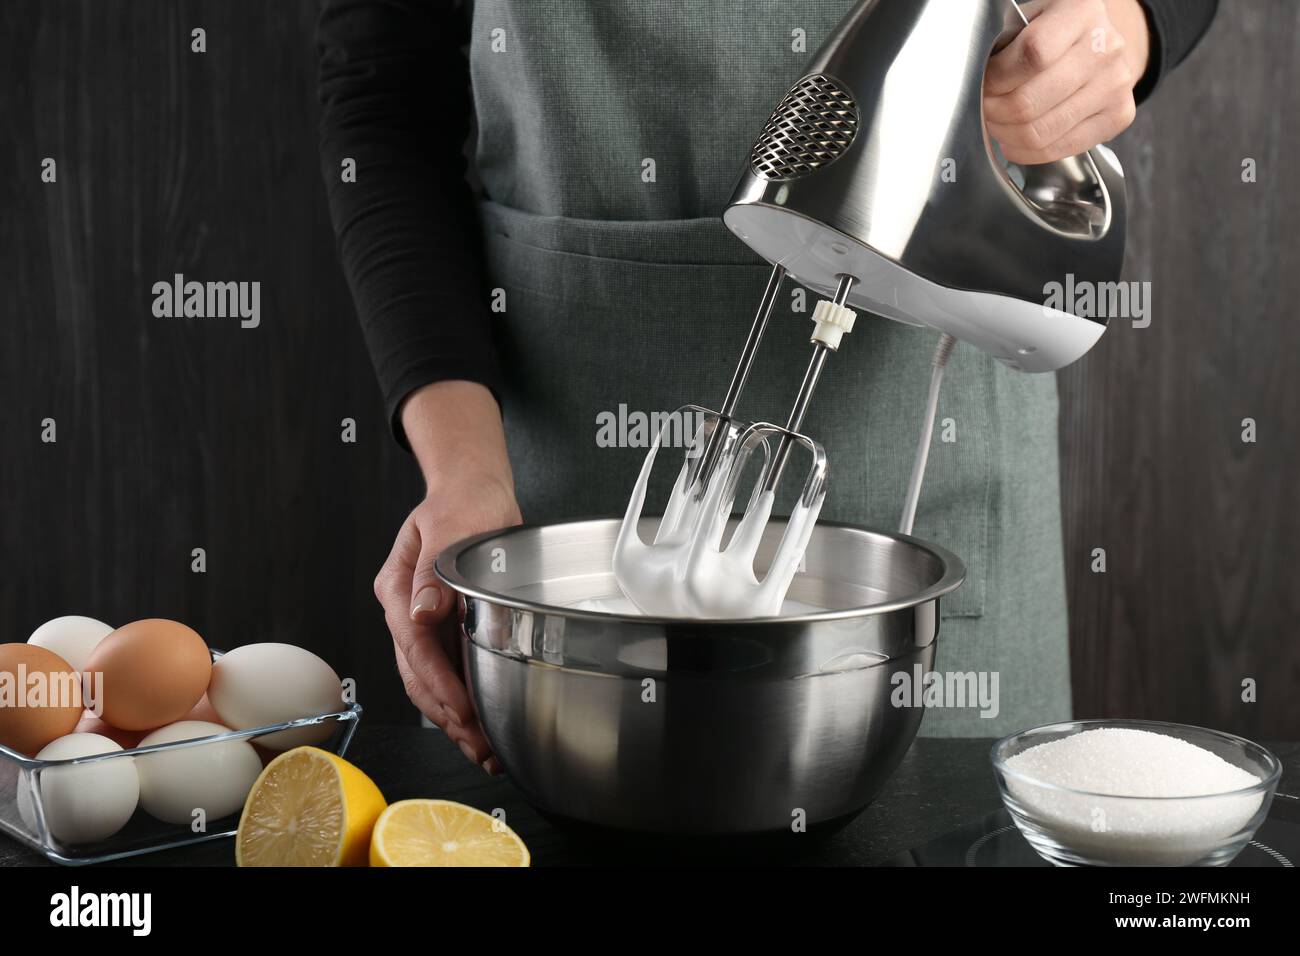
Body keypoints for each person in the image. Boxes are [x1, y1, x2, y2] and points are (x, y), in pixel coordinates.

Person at [317, 0, 1218, 771]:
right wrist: (463, 474)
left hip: (932, 450)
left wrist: (1127, 24)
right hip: (550, 500)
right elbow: (385, 93)